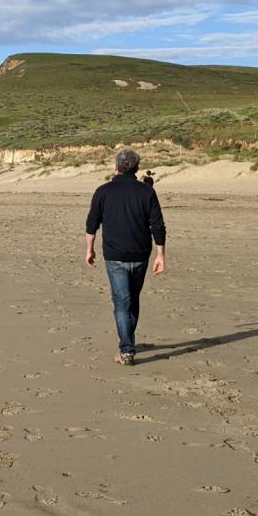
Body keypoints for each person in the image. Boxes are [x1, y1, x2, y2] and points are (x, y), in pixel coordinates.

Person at [85, 149, 167, 365]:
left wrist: (89, 249)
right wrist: (161, 254)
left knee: (122, 302)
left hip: (117, 254)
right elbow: (157, 226)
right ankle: (126, 339)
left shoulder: (103, 191)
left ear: (116, 167)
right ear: (137, 168)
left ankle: (127, 348)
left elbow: (92, 224)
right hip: (139, 253)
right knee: (131, 300)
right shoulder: (146, 192)